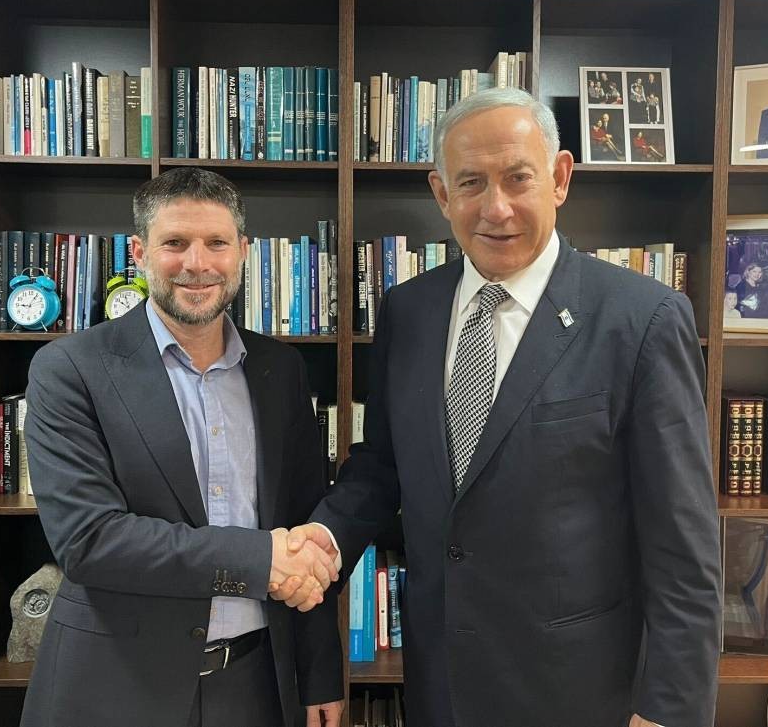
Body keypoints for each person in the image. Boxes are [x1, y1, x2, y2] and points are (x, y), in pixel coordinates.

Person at [277, 88, 722, 727]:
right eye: (471, 183)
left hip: (579, 695)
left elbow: (684, 546)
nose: (497, 207)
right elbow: (382, 467)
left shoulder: (642, 319)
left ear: (559, 178)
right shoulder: (409, 311)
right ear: (441, 194)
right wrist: (323, 539)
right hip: (441, 687)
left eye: (518, 178)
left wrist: (669, 712)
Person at [20, 168, 344, 727]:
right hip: (117, 686)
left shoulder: (281, 369)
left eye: (217, 242)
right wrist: (260, 558)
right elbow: (89, 541)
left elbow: (304, 523)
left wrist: (319, 675)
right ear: (140, 252)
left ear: (243, 251)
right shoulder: (69, 369)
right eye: (175, 243)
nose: (197, 263)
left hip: (257, 683)